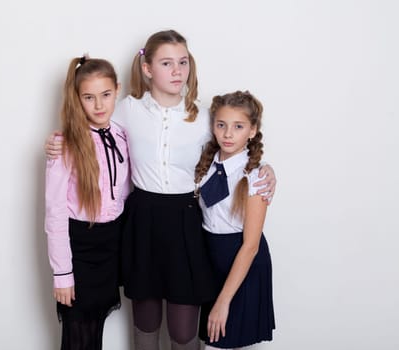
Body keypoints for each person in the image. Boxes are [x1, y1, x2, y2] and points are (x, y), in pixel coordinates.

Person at [46, 30, 277, 350]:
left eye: (183, 62)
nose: (177, 70)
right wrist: (59, 142)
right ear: (147, 68)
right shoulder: (126, 109)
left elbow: (235, 145)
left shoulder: (206, 115)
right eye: (167, 63)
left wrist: (265, 169)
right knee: (145, 322)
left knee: (183, 330)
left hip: (185, 222)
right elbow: (92, 128)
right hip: (142, 221)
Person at [44, 55, 131, 350]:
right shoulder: (65, 144)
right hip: (79, 249)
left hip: (110, 248)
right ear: (77, 99)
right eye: (89, 97)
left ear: (117, 90)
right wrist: (62, 274)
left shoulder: (122, 135)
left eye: (106, 95)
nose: (99, 105)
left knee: (95, 331)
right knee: (77, 336)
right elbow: (55, 214)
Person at [195, 90, 275, 349]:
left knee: (220, 341)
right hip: (212, 261)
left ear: (252, 131)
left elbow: (250, 246)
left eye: (238, 126)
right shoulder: (205, 165)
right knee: (213, 340)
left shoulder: (255, 177)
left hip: (242, 263)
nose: (228, 134)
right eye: (221, 125)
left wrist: (222, 301)